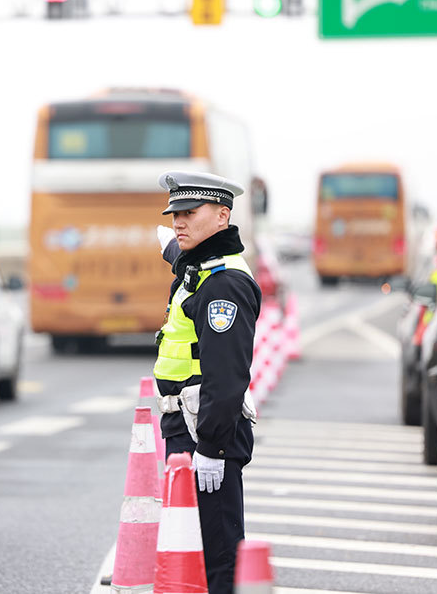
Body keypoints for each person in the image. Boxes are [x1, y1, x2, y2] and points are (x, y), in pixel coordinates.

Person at [152, 170, 261, 594]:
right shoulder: (204, 268)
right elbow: (193, 270)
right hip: (189, 426)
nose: (179, 222)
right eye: (174, 213)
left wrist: (212, 447)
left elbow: (227, 374)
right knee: (193, 545)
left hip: (204, 431)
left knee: (217, 553)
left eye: (189, 212)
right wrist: (173, 253)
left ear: (222, 215)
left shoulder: (225, 284)